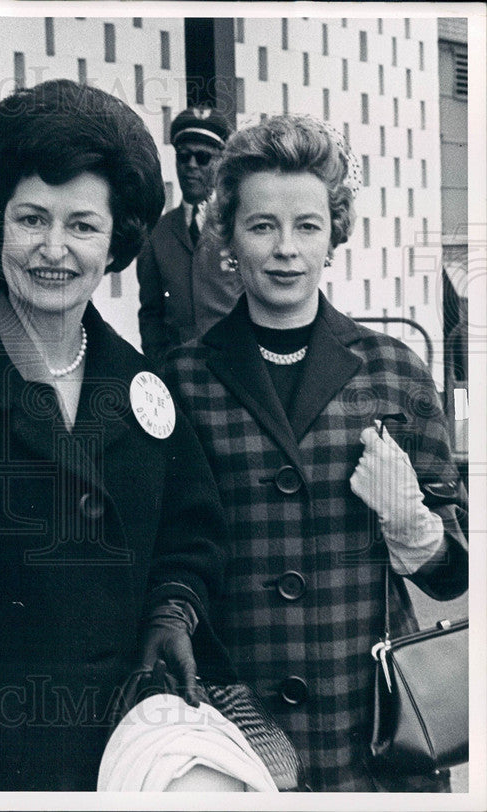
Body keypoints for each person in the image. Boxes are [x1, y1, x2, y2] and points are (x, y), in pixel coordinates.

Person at [0, 79, 234, 792]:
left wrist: (173, 610)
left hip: (130, 751)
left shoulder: (146, 391)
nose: (54, 249)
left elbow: (189, 531)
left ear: (116, 241)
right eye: (31, 219)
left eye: (82, 226)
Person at [159, 115, 468, 792]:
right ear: (228, 238)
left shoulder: (393, 372)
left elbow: (454, 574)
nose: (285, 249)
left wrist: (412, 523)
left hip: (372, 739)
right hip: (239, 733)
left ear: (334, 235)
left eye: (306, 226)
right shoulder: (180, 381)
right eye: (262, 225)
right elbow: (167, 554)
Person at [136, 106, 242, 366]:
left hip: (236, 365)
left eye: (203, 157)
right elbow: (151, 313)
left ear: (220, 163)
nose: (191, 166)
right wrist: (161, 362)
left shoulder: (237, 225)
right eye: (184, 157)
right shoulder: (157, 233)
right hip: (179, 371)